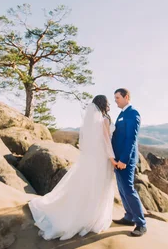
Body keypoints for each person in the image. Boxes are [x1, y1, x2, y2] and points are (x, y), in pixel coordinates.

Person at [28, 95, 117, 240]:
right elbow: (107, 140)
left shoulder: (95, 120)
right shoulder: (105, 119)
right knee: (99, 185)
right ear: (103, 104)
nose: (109, 105)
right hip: (102, 158)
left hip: (94, 157)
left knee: (91, 185)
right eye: (108, 103)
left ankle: (86, 214)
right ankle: (93, 218)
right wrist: (112, 158)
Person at [112, 88, 147, 237]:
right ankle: (129, 217)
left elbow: (130, 139)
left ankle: (141, 223)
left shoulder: (133, 113)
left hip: (125, 160)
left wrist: (124, 160)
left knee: (128, 189)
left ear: (126, 97)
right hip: (117, 159)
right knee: (121, 189)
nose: (115, 101)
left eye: (117, 98)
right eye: (115, 98)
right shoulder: (122, 114)